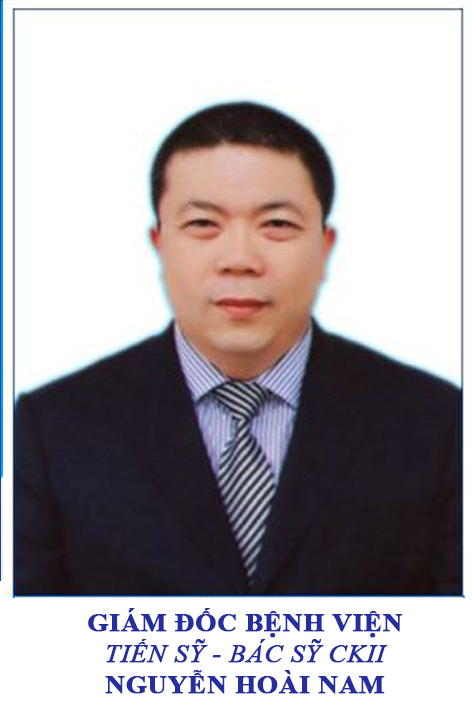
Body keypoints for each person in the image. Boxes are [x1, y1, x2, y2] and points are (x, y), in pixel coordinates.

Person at [14, 102, 461, 595]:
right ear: (159, 243)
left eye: (277, 224)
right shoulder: (53, 428)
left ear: (325, 246)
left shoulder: (436, 422)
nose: (240, 259)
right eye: (203, 224)